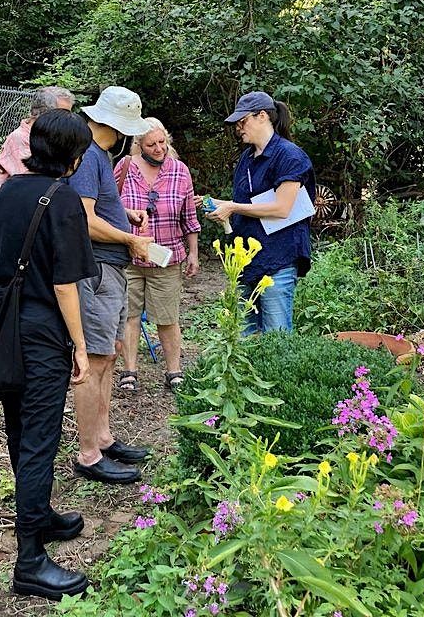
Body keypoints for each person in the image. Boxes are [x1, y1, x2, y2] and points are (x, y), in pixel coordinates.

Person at [0, 109, 97, 599]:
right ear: (72, 156)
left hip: (2, 323)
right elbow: (65, 284)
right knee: (39, 440)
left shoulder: (8, 189)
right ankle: (29, 560)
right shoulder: (64, 200)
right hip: (42, 331)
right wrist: (81, 346)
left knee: (18, 429)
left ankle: (40, 514)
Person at [68, 86, 154, 485]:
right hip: (97, 270)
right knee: (94, 361)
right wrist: (129, 239)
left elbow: (99, 208)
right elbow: (83, 221)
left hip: (109, 270)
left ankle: (102, 437)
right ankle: (88, 454)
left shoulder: (97, 155)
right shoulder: (87, 155)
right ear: (117, 126)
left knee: (109, 355)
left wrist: (124, 216)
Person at [206, 91, 315, 334]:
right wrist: (218, 204)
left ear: (262, 116)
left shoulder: (290, 155)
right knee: (242, 337)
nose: (238, 129)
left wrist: (232, 207)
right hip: (247, 261)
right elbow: (249, 204)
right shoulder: (247, 158)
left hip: (278, 259)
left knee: (276, 339)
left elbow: (281, 208)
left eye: (242, 122)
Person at [116, 118, 200, 391]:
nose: (158, 148)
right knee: (128, 315)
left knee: (167, 317)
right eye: (151, 144)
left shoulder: (179, 171)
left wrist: (193, 253)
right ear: (138, 145)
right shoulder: (124, 168)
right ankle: (129, 372)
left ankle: (173, 371)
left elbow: (189, 217)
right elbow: (109, 206)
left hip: (167, 256)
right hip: (128, 256)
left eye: (162, 142)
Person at [0, 86, 75, 198]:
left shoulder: (46, 137)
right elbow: (32, 184)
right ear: (44, 114)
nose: (68, 120)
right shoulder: (21, 138)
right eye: (62, 114)